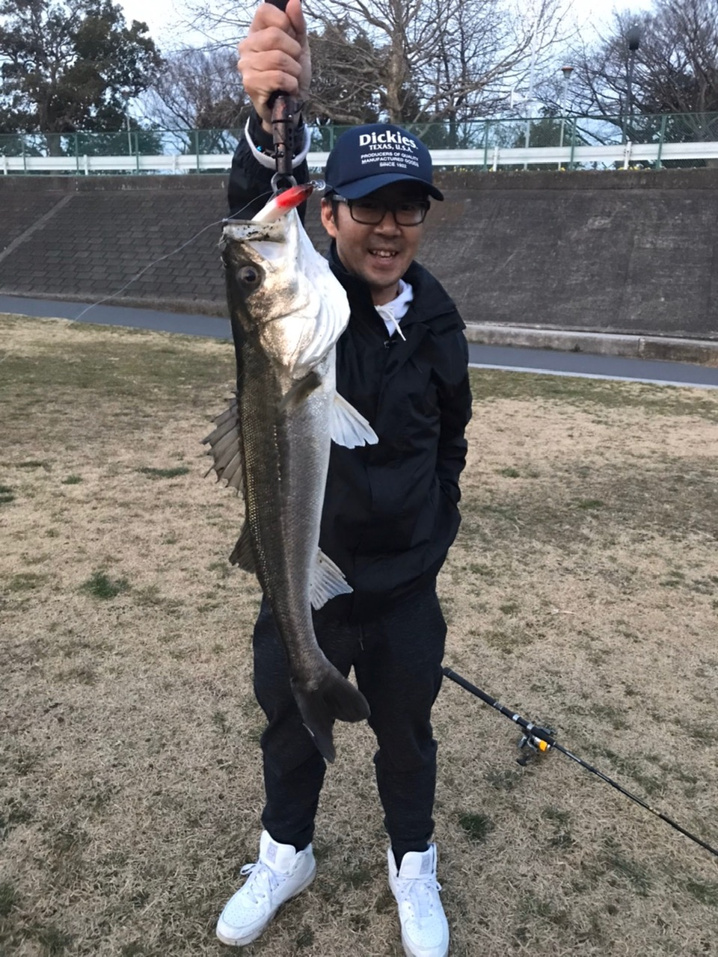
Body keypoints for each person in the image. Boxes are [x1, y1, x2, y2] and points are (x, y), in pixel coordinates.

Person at [216, 3, 472, 954]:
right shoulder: (310, 308)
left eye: (408, 206)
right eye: (367, 206)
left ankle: (414, 861)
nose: (388, 227)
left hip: (405, 589)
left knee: (408, 737)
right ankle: (286, 850)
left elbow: (452, 442)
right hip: (306, 583)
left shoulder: (440, 320)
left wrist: (431, 536)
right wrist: (268, 124)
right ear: (328, 215)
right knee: (289, 726)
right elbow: (254, 233)